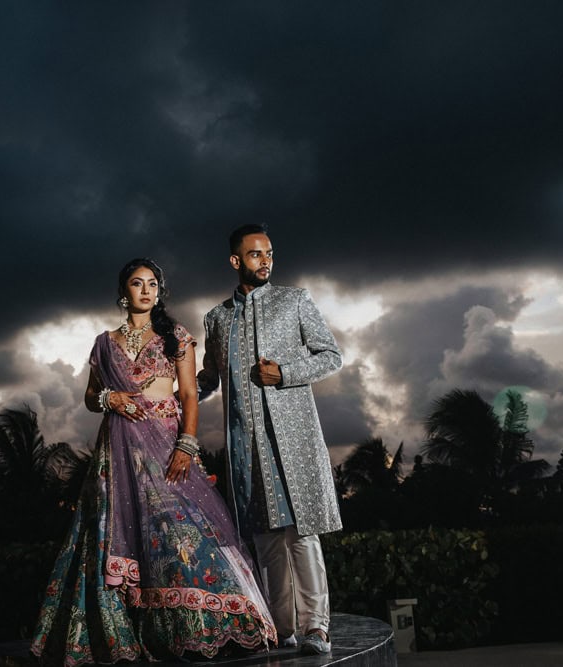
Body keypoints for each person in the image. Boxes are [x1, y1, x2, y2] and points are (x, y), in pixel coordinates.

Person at [31, 258, 276, 666]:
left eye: (153, 284)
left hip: (166, 445)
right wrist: (110, 398)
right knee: (116, 534)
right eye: (137, 283)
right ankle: (132, 631)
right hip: (119, 451)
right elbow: (92, 396)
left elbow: (190, 396)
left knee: (182, 529)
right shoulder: (104, 342)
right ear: (122, 291)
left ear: (160, 292)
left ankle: (213, 623)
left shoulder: (175, 336)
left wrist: (187, 445)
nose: (146, 290)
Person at [198, 224, 343, 656]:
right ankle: (282, 629)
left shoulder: (294, 300)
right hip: (245, 445)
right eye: (256, 254)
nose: (266, 261)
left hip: (292, 439)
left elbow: (331, 355)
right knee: (265, 538)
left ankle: (316, 627)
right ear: (236, 261)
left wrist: (286, 373)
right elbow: (209, 377)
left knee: (302, 534)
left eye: (269, 253)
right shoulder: (217, 318)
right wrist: (170, 392)